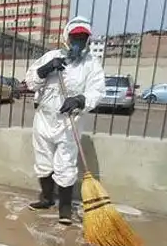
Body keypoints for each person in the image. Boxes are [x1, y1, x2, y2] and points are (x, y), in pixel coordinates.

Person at [25, 16, 107, 225]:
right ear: (66, 37)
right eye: (74, 37)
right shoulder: (51, 56)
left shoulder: (91, 64)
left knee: (66, 164)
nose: (77, 42)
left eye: (82, 38)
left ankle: (65, 208)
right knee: (42, 161)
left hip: (69, 123)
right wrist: (46, 69)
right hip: (44, 118)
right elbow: (30, 81)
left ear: (88, 40)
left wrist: (80, 99)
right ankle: (46, 199)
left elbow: (97, 91)